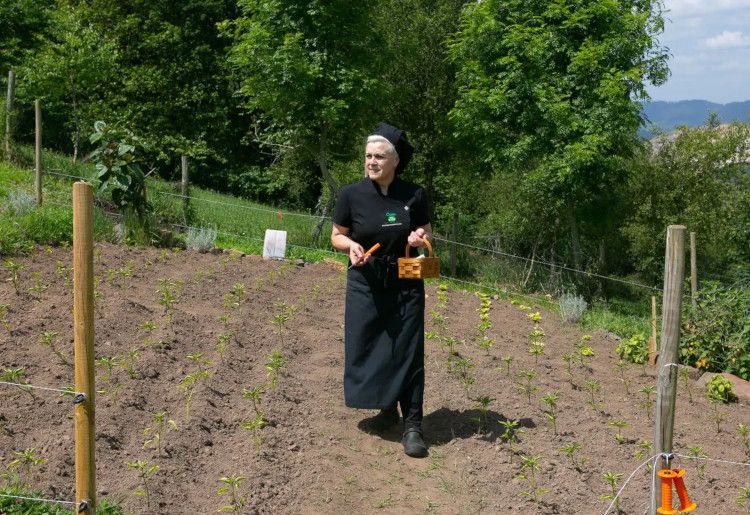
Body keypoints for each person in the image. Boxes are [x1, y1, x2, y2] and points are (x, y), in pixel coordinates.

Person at [330, 122, 432, 458]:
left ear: (395, 161)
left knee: (409, 350)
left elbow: (426, 231)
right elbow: (336, 234)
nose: (371, 162)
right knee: (371, 346)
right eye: (368, 156)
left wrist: (420, 238)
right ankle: (387, 410)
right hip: (366, 282)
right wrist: (350, 247)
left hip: (406, 281)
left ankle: (413, 425)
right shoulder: (351, 194)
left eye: (379, 156)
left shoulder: (414, 194)